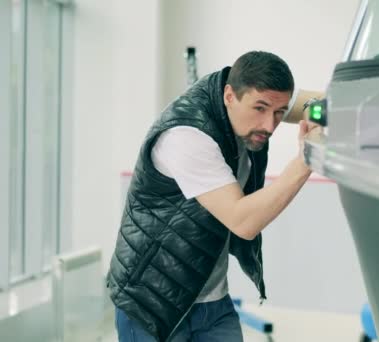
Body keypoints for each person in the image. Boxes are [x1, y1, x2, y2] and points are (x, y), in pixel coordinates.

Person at [106, 50, 323, 342]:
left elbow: (321, 102)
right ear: (229, 96)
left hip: (212, 302)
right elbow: (243, 221)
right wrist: (308, 158)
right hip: (152, 304)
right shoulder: (187, 136)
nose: (270, 126)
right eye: (259, 109)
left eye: (279, 113)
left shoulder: (240, 97)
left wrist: (319, 108)